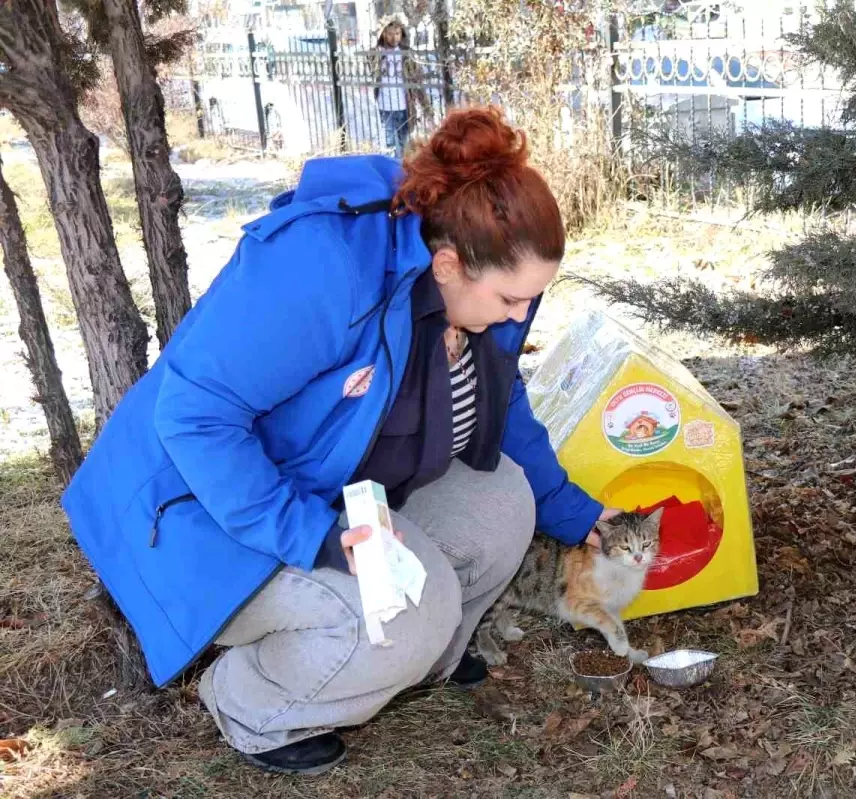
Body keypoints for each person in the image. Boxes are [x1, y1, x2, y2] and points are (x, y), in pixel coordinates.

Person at [61, 107, 622, 776]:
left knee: (504, 497)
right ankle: (249, 699)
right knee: (422, 603)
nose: (521, 316)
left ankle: (408, 655)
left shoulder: (474, 294)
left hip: (327, 493)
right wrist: (313, 537)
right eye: (510, 299)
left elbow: (508, 406)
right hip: (200, 518)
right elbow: (194, 418)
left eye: (531, 299)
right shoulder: (325, 267)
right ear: (448, 265)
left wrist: (582, 516)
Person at [374, 18, 412, 158]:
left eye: (397, 33)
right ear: (383, 34)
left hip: (403, 105)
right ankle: (392, 172)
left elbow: (416, 78)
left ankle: (403, 171)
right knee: (389, 144)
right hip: (386, 105)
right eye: (390, 33)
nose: (394, 37)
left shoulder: (406, 53)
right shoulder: (377, 54)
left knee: (404, 143)